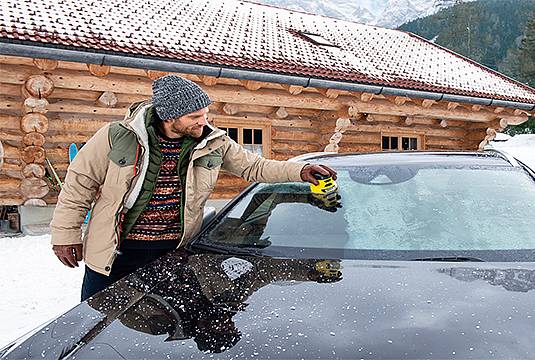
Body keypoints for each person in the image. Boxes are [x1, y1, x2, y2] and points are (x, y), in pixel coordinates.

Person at [49, 75, 336, 301]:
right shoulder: (117, 137)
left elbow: (255, 167)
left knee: (163, 327)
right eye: (195, 117)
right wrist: (65, 234)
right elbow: (79, 186)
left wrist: (299, 170)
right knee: (99, 325)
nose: (204, 121)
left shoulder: (212, 141)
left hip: (173, 254)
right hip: (114, 252)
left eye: (205, 114)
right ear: (169, 116)